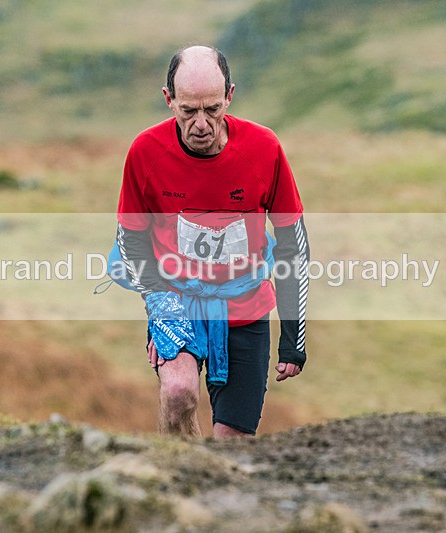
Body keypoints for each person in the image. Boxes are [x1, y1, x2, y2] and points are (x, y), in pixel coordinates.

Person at [114, 45, 309, 438]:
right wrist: (159, 302)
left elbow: (293, 243)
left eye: (212, 109)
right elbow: (130, 239)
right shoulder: (145, 152)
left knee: (231, 443)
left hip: (246, 308)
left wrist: (293, 338)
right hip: (177, 301)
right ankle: (176, 472)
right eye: (188, 111)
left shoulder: (264, 148)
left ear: (229, 96)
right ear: (169, 99)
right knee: (178, 393)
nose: (201, 124)